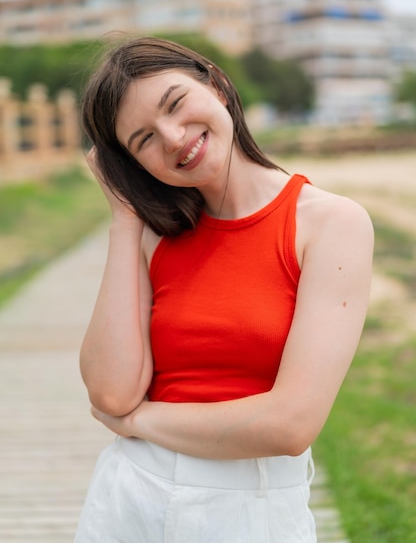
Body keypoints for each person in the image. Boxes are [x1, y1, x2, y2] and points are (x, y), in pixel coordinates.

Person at [74, 36, 374, 543]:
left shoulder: (329, 223)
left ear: (215, 84)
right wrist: (124, 220)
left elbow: (290, 425)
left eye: (175, 104)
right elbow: (109, 391)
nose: (172, 138)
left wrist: (139, 420)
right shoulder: (153, 236)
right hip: (128, 501)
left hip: (251, 511)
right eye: (143, 140)